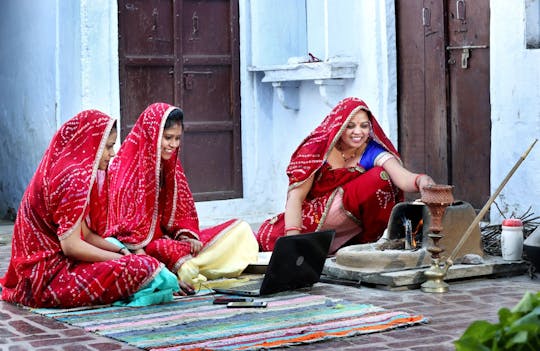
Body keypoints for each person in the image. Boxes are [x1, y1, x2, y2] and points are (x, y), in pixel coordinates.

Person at [0, 110, 177, 308]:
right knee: (143, 267)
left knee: (135, 257)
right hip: (46, 280)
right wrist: (123, 258)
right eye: (108, 146)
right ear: (91, 144)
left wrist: (122, 250)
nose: (113, 153)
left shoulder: (68, 170)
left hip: (38, 272)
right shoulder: (73, 178)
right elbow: (72, 246)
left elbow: (86, 234)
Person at [105, 102, 258, 293]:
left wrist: (186, 234)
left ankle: (192, 268)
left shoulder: (169, 165)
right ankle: (186, 271)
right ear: (153, 135)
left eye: (177, 138)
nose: (174, 145)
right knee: (180, 262)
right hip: (144, 247)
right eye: (168, 138)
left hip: (168, 240)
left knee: (241, 230)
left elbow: (182, 210)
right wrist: (156, 273)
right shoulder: (127, 169)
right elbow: (127, 236)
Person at [256, 97, 435, 254]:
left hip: (350, 228)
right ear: (339, 126)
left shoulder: (370, 150)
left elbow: (402, 178)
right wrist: (293, 242)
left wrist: (421, 181)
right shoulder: (318, 149)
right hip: (312, 223)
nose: (358, 132)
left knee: (381, 177)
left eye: (364, 126)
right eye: (350, 126)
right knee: (272, 242)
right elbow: (296, 197)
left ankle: (372, 245)